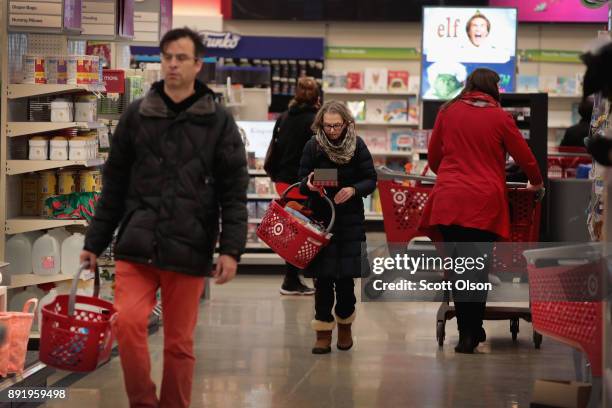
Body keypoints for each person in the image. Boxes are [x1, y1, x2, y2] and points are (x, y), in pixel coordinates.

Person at [81, 27, 248, 407]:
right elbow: (114, 187)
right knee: (127, 325)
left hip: (189, 246)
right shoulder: (137, 116)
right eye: (167, 57)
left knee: (179, 343)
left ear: (198, 65)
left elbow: (233, 193)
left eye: (181, 58)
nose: (172, 64)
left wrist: (231, 250)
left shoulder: (218, 123)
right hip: (137, 243)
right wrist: (94, 242)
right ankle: (143, 402)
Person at [418, 68, 544, 354]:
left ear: (469, 85)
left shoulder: (447, 111)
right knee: (476, 269)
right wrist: (536, 183)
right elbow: (525, 157)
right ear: (493, 89)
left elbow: (435, 156)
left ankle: (469, 332)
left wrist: (452, 174)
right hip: (483, 203)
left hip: (449, 200)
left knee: (460, 268)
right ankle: (471, 331)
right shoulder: (501, 117)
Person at [298, 100, 377, 354]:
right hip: (320, 222)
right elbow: (301, 180)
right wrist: (308, 185)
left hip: (350, 222)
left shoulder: (358, 145)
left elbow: (370, 179)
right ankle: (322, 332)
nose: (332, 131)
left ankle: (345, 327)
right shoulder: (313, 145)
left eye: (337, 125)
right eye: (327, 125)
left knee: (345, 281)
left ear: (347, 123)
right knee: (322, 281)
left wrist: (353, 189)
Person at [267, 77, 321, 295]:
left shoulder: (284, 117)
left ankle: (291, 279)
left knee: (293, 231)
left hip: (284, 183)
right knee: (312, 231)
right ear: (317, 97)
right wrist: (333, 180)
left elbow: (275, 150)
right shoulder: (316, 121)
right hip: (305, 184)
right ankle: (305, 280)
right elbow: (320, 158)